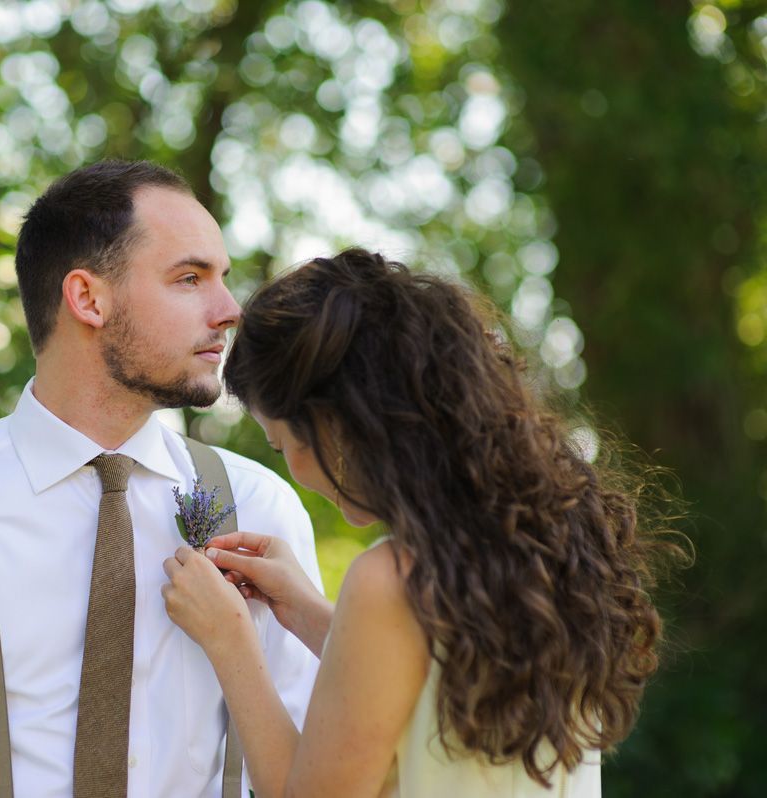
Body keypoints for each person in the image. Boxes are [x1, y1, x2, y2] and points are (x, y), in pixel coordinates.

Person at [0, 160, 323, 797]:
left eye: (223, 279)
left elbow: (312, 771)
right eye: (189, 278)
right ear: (88, 298)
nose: (228, 310)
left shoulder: (259, 509)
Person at [162, 248, 685, 797]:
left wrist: (231, 642)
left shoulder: (392, 578)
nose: (293, 469)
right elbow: (427, 690)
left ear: (333, 424)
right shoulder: (550, 546)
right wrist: (308, 613)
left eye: (284, 443)